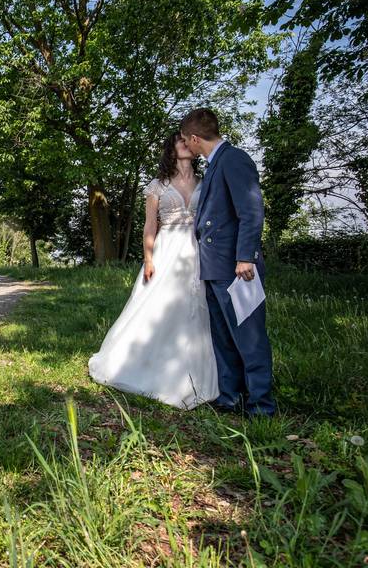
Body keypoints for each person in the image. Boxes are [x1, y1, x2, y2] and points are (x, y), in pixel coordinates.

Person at [88, 132, 218, 409]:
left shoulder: (204, 183)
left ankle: (191, 373)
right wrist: (148, 259)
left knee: (195, 308)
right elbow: (149, 225)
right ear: (171, 149)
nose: (185, 144)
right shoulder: (157, 185)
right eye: (180, 141)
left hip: (196, 251)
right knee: (155, 306)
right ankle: (142, 363)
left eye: (188, 141)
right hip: (166, 248)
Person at [180, 108, 275, 417]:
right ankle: (230, 397)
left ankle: (261, 405)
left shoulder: (234, 159)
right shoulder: (216, 164)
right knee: (224, 338)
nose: (187, 147)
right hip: (215, 266)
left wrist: (245, 256)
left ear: (194, 138)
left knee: (249, 338)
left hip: (237, 268)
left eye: (186, 141)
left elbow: (251, 210)